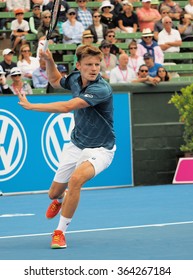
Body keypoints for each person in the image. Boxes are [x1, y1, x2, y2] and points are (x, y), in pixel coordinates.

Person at [18, 44, 116, 249]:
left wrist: (32, 106)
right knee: (53, 193)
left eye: (97, 64)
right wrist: (50, 60)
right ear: (78, 66)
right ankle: (60, 199)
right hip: (77, 144)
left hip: (100, 149)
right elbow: (54, 80)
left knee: (76, 180)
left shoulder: (101, 88)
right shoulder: (74, 79)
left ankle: (60, 232)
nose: (94, 68)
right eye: (89, 64)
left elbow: (67, 107)